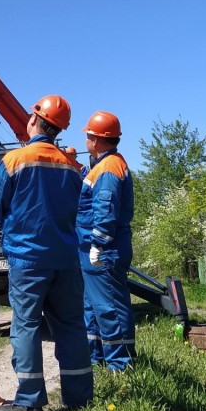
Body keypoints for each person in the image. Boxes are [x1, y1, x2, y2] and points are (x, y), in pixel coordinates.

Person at [0, 95, 93, 411]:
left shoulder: (15, 160)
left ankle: (30, 402)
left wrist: (15, 229)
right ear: (60, 129)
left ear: (34, 120)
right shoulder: (72, 166)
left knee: (27, 326)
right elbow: (83, 210)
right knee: (72, 326)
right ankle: (80, 399)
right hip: (66, 260)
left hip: (27, 261)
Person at [77, 110, 136, 370]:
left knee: (109, 306)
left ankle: (121, 365)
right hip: (96, 248)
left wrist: (99, 243)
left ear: (96, 139)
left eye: (88, 136)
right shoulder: (103, 166)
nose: (86, 141)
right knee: (93, 307)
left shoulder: (109, 168)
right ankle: (97, 358)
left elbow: (105, 207)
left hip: (105, 249)